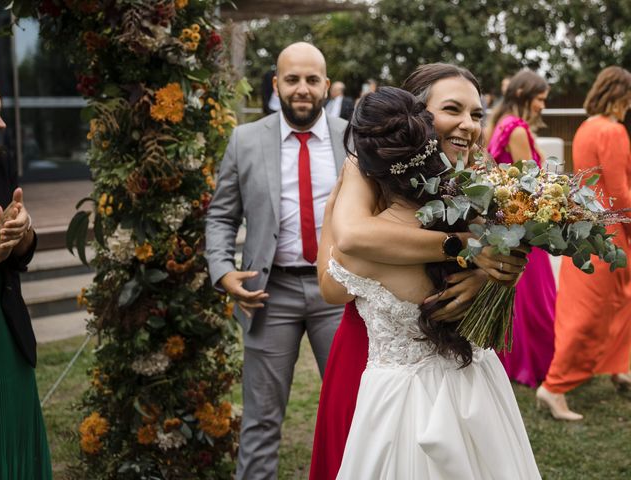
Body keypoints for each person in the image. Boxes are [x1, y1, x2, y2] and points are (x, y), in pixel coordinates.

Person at [309, 63, 528, 480]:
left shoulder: (477, 180)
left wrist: (494, 270)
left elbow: (511, 248)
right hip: (372, 344)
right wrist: (466, 248)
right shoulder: (370, 167)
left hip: (455, 359)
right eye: (452, 109)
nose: (468, 124)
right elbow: (352, 238)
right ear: (417, 119)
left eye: (478, 114)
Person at [205, 42, 347, 479]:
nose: (301, 89)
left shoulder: (353, 136)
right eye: (292, 79)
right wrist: (222, 270)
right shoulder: (245, 140)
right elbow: (221, 215)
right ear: (276, 84)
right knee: (261, 421)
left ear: (325, 83)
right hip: (269, 293)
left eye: (311, 80)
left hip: (340, 291)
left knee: (354, 414)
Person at [537, 66, 631, 420]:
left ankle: (619, 366)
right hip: (611, 229)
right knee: (593, 310)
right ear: (621, 95)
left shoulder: (586, 128)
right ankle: (555, 387)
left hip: (586, 226)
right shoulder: (614, 130)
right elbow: (621, 192)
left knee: (618, 302)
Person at [0, 79, 52, 479]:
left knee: (13, 425)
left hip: (4, 322)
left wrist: (23, 229)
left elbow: (20, 251)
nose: (0, 124)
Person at [486, 69, 556, 389]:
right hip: (525, 226)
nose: (542, 105)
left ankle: (515, 362)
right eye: (539, 99)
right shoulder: (517, 129)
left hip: (509, 225)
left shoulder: (501, 124)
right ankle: (536, 364)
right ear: (523, 96)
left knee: (522, 301)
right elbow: (531, 185)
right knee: (537, 304)